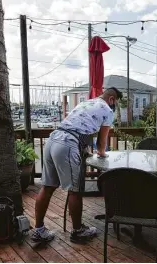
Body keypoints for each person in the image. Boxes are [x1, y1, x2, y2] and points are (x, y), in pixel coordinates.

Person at [32, 87, 122, 243]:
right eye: (116, 103)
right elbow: (101, 144)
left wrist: (84, 150)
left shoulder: (86, 103)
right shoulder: (107, 109)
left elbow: (80, 128)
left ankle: (38, 230)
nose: (114, 107)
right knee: (75, 190)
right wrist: (101, 153)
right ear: (112, 99)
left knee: (47, 187)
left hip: (53, 140)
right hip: (68, 143)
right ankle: (78, 231)